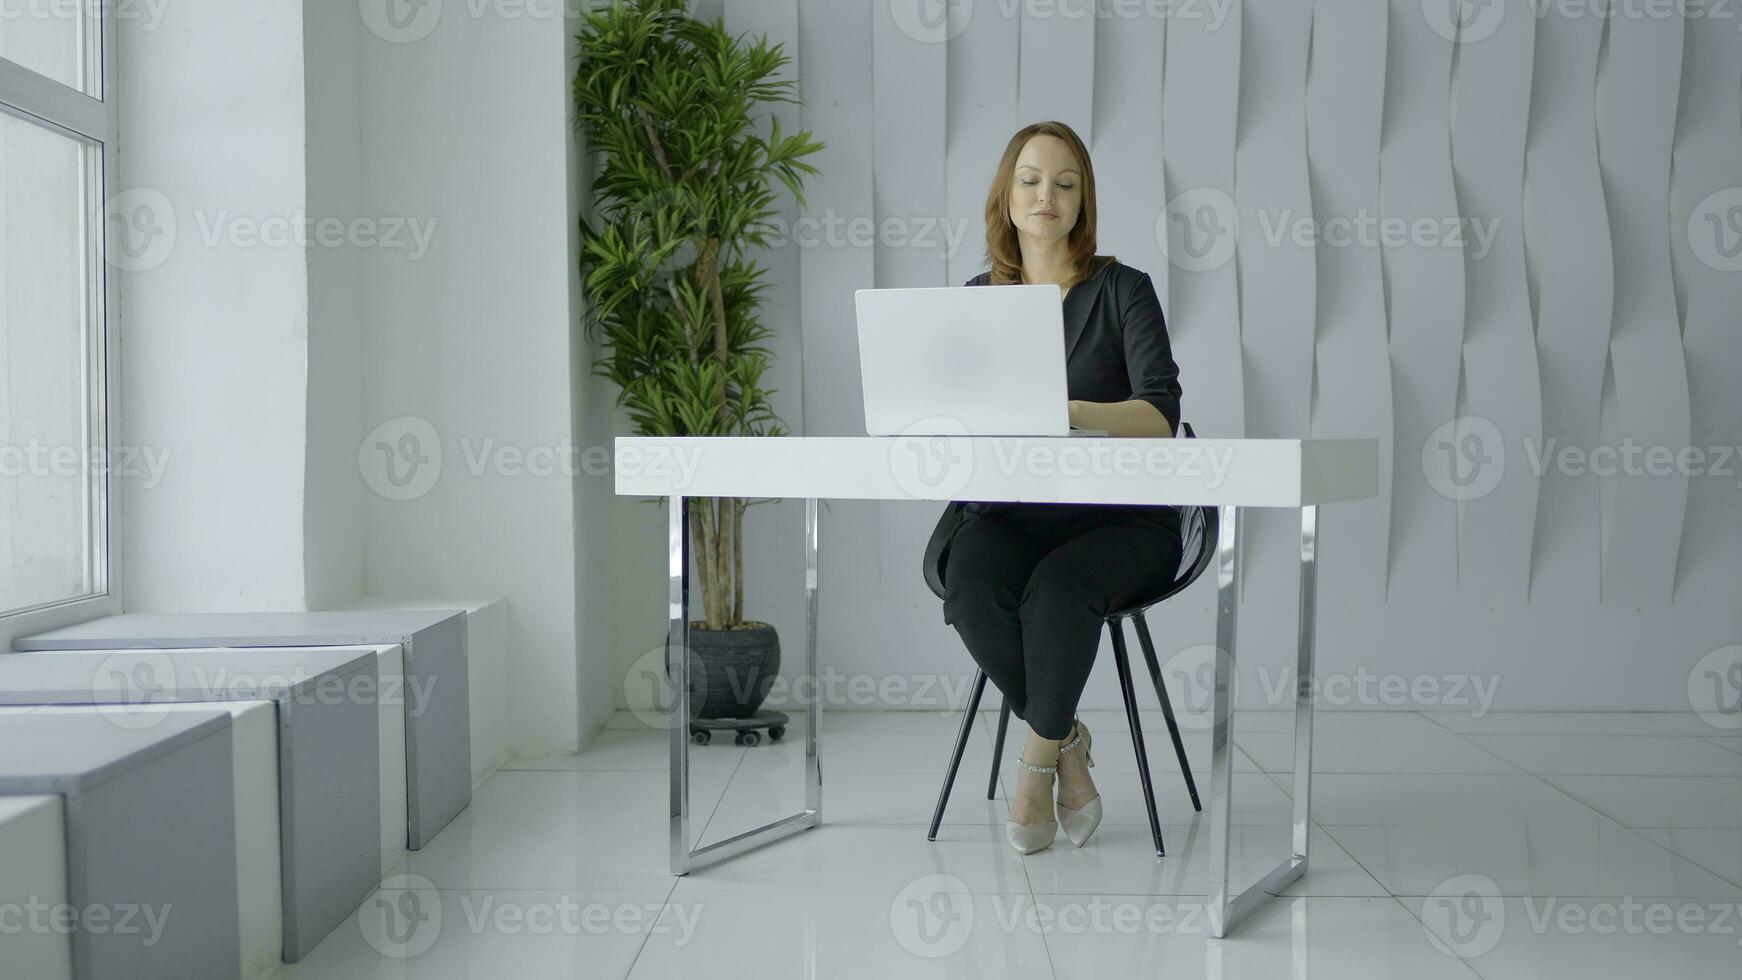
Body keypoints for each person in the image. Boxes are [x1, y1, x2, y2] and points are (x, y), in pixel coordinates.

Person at [924, 120, 1186, 855]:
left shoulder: (1123, 289)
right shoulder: (978, 300)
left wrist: (1064, 411)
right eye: (1031, 180)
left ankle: (1037, 768)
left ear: (1083, 201)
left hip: (1123, 522)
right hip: (1011, 511)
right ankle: (1067, 739)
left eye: (1065, 183)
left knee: (1058, 591)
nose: (1047, 195)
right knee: (969, 587)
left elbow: (1161, 413)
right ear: (1006, 198)